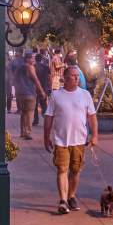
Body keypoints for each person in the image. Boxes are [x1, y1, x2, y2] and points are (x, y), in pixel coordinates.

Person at [44, 65, 97, 214]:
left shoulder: (85, 95)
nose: (76, 78)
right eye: (73, 75)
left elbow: (92, 117)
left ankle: (71, 195)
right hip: (61, 140)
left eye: (77, 76)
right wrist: (46, 137)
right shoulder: (56, 95)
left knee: (75, 170)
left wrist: (95, 135)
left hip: (79, 140)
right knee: (62, 169)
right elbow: (49, 117)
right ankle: (63, 200)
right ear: (65, 78)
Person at [15, 51, 46, 140]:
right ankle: (27, 132)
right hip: (29, 93)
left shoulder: (19, 67)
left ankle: (22, 131)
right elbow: (35, 79)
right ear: (28, 59)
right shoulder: (30, 67)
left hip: (20, 93)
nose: (34, 59)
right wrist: (42, 91)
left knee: (24, 113)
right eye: (32, 58)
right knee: (30, 113)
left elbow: (15, 79)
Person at [33, 49, 51, 127]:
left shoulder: (33, 67)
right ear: (41, 59)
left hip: (35, 88)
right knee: (44, 105)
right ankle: (47, 120)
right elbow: (49, 77)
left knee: (35, 105)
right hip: (44, 87)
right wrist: (49, 86)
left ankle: (36, 120)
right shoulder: (46, 67)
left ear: (35, 59)